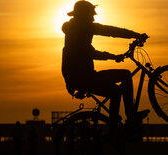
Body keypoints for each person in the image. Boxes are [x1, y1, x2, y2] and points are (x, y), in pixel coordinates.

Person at [62, 0, 149, 133]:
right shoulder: (82, 29)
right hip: (84, 77)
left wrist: (114, 56)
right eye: (91, 15)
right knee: (125, 75)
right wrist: (135, 36)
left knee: (115, 92)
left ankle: (113, 127)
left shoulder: (75, 31)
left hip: (78, 78)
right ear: (84, 15)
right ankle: (129, 117)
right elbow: (111, 31)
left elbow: (90, 50)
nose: (93, 17)